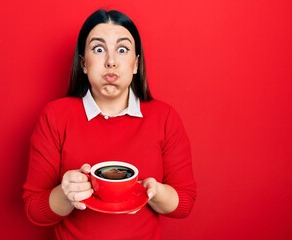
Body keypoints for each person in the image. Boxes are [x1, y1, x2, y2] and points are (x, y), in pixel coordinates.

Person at [23, 9, 196, 239]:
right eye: (98, 49)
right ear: (84, 63)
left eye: (122, 50)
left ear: (135, 64)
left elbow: (184, 204)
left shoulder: (164, 117)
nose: (111, 62)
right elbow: (34, 210)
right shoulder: (55, 116)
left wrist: (153, 190)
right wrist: (66, 195)